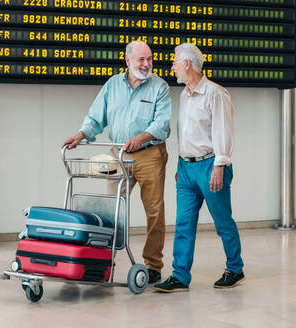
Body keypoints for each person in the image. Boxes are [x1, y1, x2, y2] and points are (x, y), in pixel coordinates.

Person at [62, 41, 171, 283]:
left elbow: (162, 124)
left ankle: (153, 265)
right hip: (118, 154)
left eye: (149, 59)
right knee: (111, 209)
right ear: (128, 61)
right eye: (141, 59)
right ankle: (104, 260)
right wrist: (79, 136)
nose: (146, 64)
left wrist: (141, 138)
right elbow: (95, 117)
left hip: (150, 154)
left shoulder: (159, 87)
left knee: (154, 211)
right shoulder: (112, 85)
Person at [154, 43, 244, 293]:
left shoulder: (216, 94)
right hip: (186, 168)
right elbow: (188, 134)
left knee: (222, 221)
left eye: (174, 62)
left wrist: (220, 165)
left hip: (211, 166)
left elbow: (222, 132)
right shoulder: (184, 95)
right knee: (183, 223)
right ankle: (180, 276)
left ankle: (235, 268)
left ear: (187, 64)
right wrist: (181, 164)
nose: (172, 67)